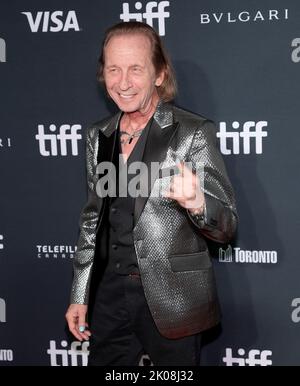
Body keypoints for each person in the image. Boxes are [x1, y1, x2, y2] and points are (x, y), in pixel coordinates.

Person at [65, 21, 237, 366]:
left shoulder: (192, 132)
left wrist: (197, 202)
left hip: (172, 297)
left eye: (135, 69)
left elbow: (227, 225)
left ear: (159, 74)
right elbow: (92, 220)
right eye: (113, 69)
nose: (123, 82)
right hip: (109, 297)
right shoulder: (99, 135)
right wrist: (80, 292)